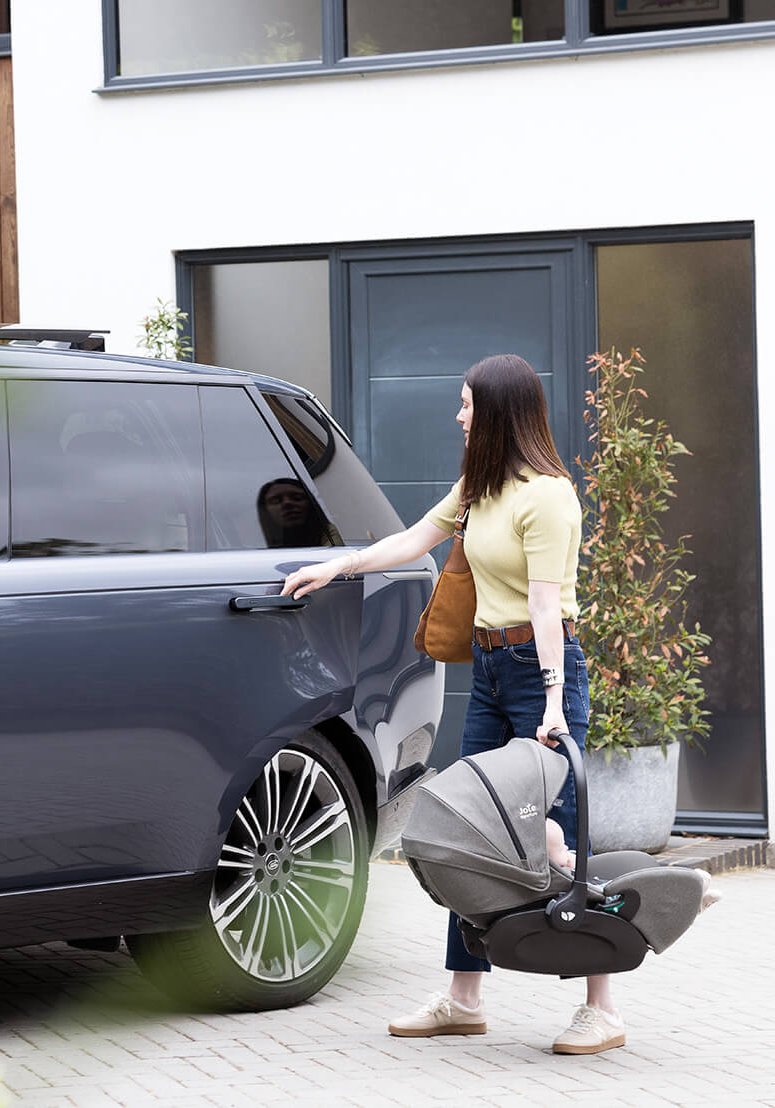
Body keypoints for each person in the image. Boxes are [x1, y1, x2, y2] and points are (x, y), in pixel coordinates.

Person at [282, 353, 623, 1055]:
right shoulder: (480, 487)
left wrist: (556, 702)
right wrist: (335, 566)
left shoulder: (550, 496)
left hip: (541, 671)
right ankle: (464, 998)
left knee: (559, 828)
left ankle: (602, 1005)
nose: (458, 415)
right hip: (494, 667)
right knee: (473, 828)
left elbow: (546, 603)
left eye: (468, 404)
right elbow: (414, 541)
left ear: (498, 412)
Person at [544, 818, 721, 912]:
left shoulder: (563, 865)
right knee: (649, 889)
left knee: (647, 876)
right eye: (561, 848)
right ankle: (691, 893)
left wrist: (569, 858)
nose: (567, 849)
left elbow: (575, 861)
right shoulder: (556, 877)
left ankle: (693, 896)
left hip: (603, 888)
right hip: (606, 899)